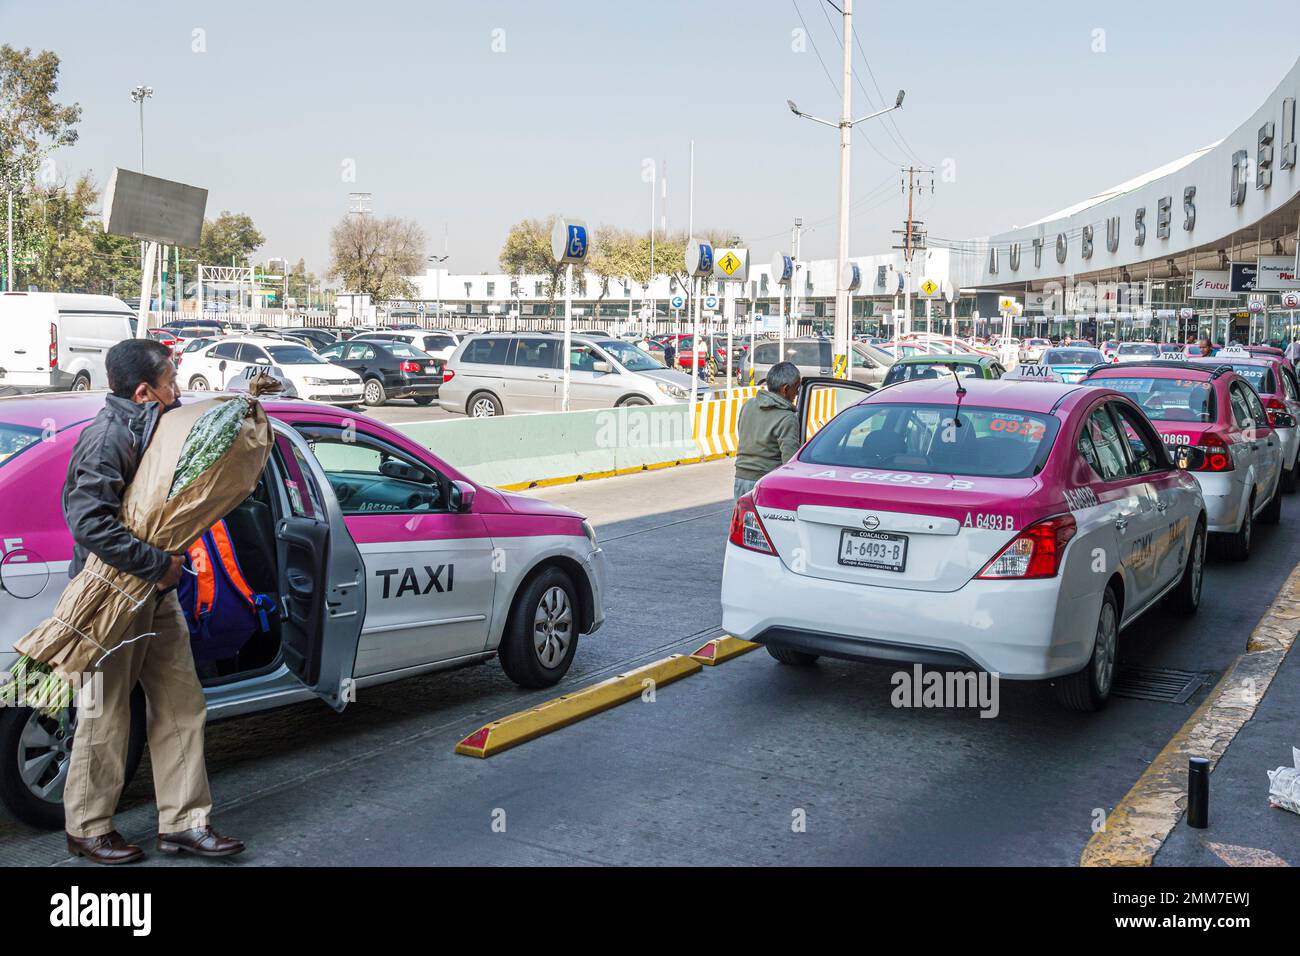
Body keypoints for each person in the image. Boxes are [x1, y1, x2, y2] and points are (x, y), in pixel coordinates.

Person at [62, 338, 244, 865]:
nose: (178, 391)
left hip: (156, 599)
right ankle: (88, 828)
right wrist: (157, 564)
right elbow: (88, 522)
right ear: (145, 391)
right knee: (103, 714)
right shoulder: (106, 439)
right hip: (110, 600)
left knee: (182, 706)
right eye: (170, 383)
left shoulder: (157, 428)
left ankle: (184, 824)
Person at [733, 361, 801, 499]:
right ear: (785, 389)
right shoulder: (787, 418)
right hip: (766, 483)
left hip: (740, 479)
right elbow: (790, 463)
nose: (798, 392)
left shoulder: (749, 405)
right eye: (796, 388)